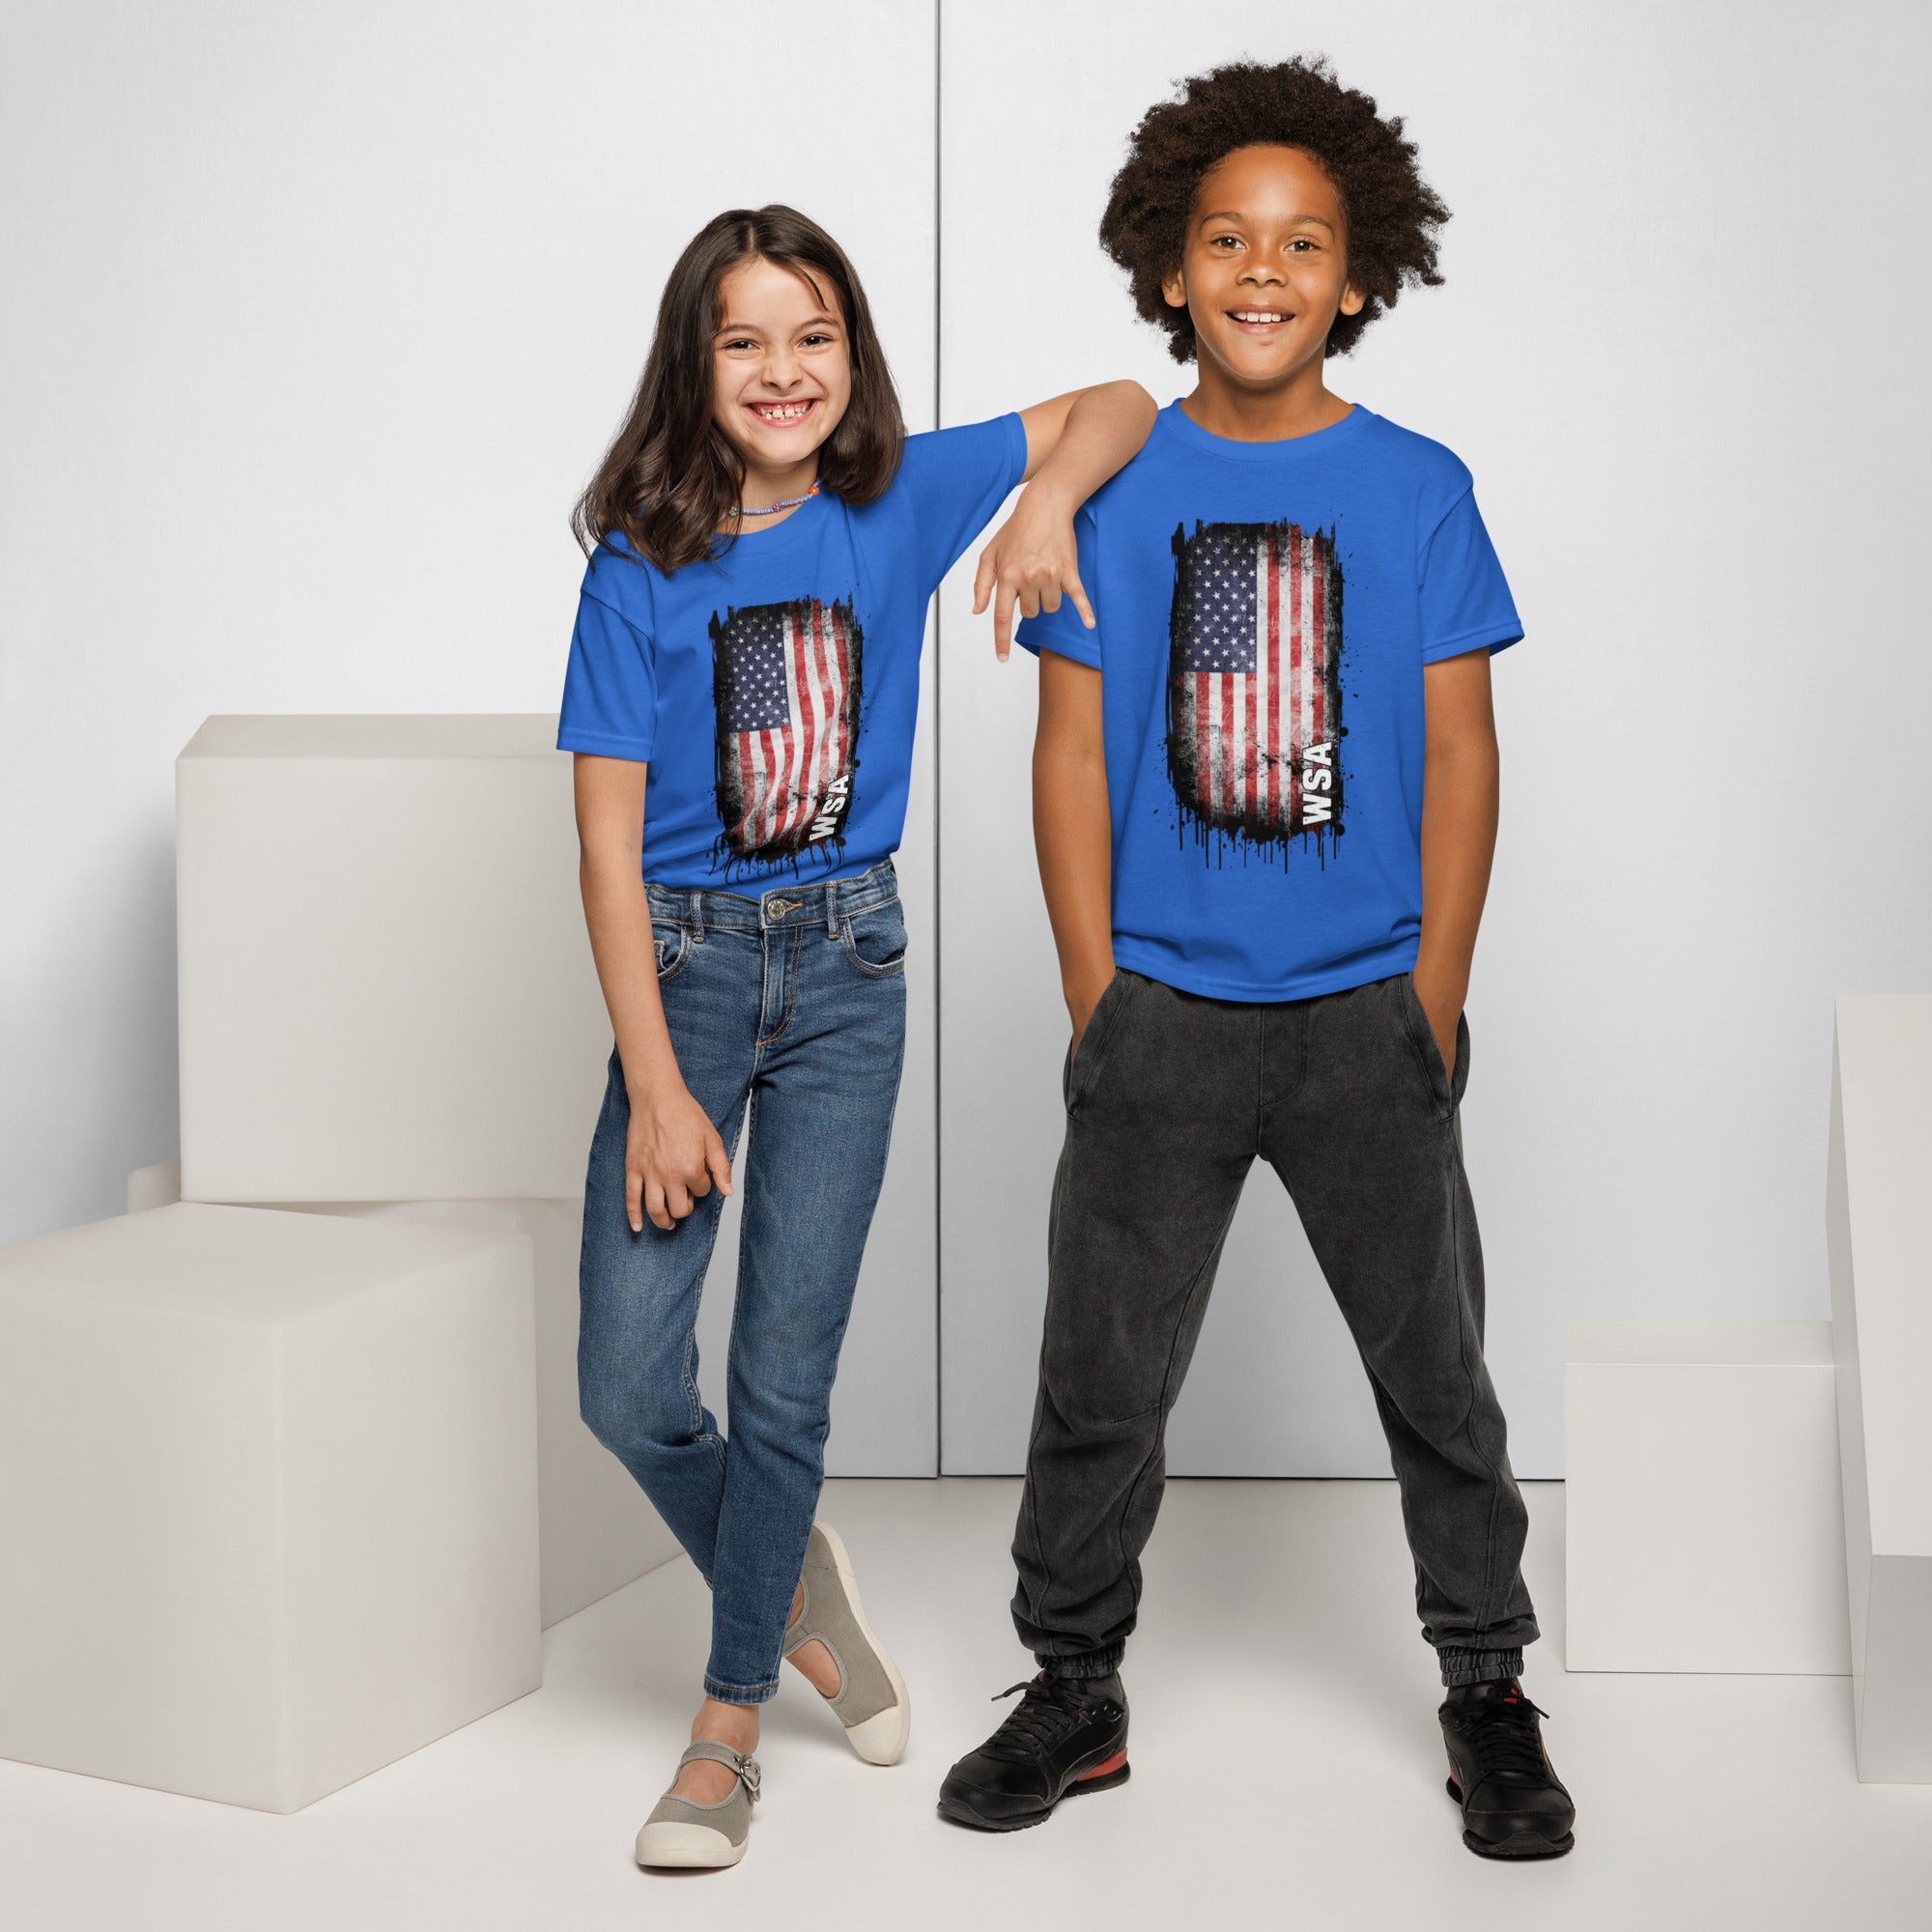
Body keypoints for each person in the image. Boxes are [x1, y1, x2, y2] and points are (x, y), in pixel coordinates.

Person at [937, 60, 1576, 1861]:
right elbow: (1069, 753)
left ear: (1359, 276)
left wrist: (1433, 991)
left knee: (1437, 1373)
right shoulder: (1110, 488)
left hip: (1369, 1009)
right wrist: (1096, 991)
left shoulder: (1420, 485)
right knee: (1100, 1375)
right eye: (1227, 240)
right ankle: (1074, 1688)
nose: (1265, 268)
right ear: (1169, 270)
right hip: (1166, 1017)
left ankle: (1489, 1687)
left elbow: (1462, 751)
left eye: (1305, 243)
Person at [560, 203, 1154, 1871]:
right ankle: (795, 1570)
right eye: (744, 339)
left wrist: (1042, 499)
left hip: (845, 972)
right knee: (625, 1376)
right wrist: (661, 1087)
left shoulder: (897, 497)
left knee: (782, 1376)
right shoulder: (641, 556)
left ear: (853, 352)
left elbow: (1120, 402)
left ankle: (728, 1726)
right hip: (678, 970)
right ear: (697, 360)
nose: (783, 370)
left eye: (812, 335)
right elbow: (606, 842)